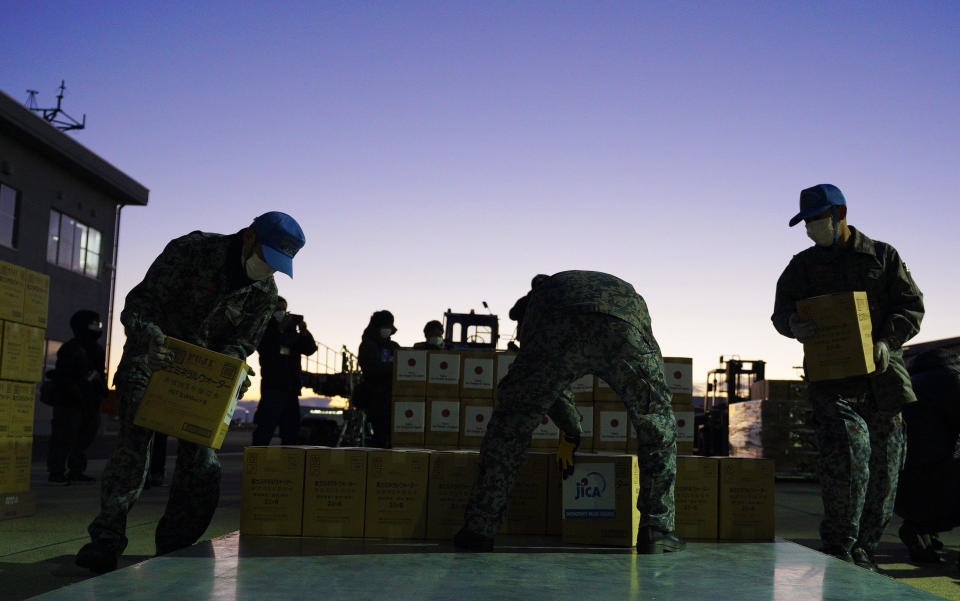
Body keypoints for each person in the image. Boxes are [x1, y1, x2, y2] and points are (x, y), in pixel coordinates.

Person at [75, 211, 305, 574]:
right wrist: (150, 337)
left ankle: (176, 548)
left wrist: (233, 372)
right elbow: (139, 305)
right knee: (134, 448)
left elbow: (241, 343)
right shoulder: (193, 250)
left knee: (202, 462)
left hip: (201, 378)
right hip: (152, 358)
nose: (267, 270)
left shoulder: (264, 293)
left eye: (276, 266)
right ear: (247, 238)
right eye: (265, 259)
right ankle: (106, 539)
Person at [456, 270, 683, 554]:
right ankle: (657, 529)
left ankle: (479, 530)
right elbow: (644, 336)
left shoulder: (540, 304)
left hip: (556, 330)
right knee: (656, 424)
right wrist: (573, 430)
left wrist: (572, 430)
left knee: (509, 427)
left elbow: (548, 387)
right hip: (623, 329)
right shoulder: (611, 289)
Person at [771, 184, 923, 571]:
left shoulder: (882, 257)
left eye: (817, 220)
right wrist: (792, 324)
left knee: (885, 472)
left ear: (840, 214)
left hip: (882, 381)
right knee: (848, 462)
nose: (811, 229)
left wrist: (888, 340)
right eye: (806, 223)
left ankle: (865, 551)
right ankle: (839, 546)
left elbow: (911, 305)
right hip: (833, 384)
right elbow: (780, 311)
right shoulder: (802, 267)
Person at [894, 348, 960, 563]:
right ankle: (923, 528)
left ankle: (922, 531)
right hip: (938, 483)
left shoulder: (909, 382)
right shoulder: (951, 381)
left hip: (901, 487)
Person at [46, 310, 107, 485]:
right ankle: (56, 472)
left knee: (85, 438)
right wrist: (76, 391)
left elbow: (99, 375)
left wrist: (98, 393)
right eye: (93, 325)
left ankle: (76, 470)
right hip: (69, 402)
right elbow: (64, 376)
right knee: (63, 437)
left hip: (89, 402)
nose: (97, 329)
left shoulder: (97, 350)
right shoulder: (70, 348)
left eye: (98, 325)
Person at [251, 296, 317, 446]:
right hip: (272, 389)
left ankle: (287, 465)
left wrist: (304, 332)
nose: (282, 313)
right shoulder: (265, 329)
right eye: (278, 309)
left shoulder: (293, 334)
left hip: (291, 389)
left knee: (291, 434)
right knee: (264, 431)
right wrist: (279, 330)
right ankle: (257, 463)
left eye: (284, 309)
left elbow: (310, 349)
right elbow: (266, 348)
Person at [354, 310, 399, 448]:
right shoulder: (368, 345)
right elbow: (370, 369)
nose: (387, 329)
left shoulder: (394, 346)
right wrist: (393, 367)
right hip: (376, 398)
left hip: (393, 398)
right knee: (379, 439)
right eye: (385, 326)